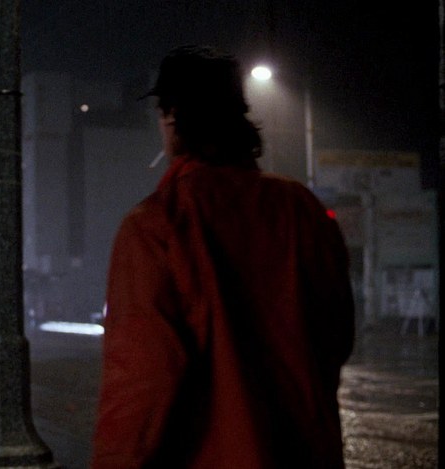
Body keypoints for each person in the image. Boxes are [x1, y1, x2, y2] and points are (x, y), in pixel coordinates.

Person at [91, 45, 355, 468]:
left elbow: (141, 383)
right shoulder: (303, 210)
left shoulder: (156, 225)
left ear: (171, 117)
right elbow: (336, 337)